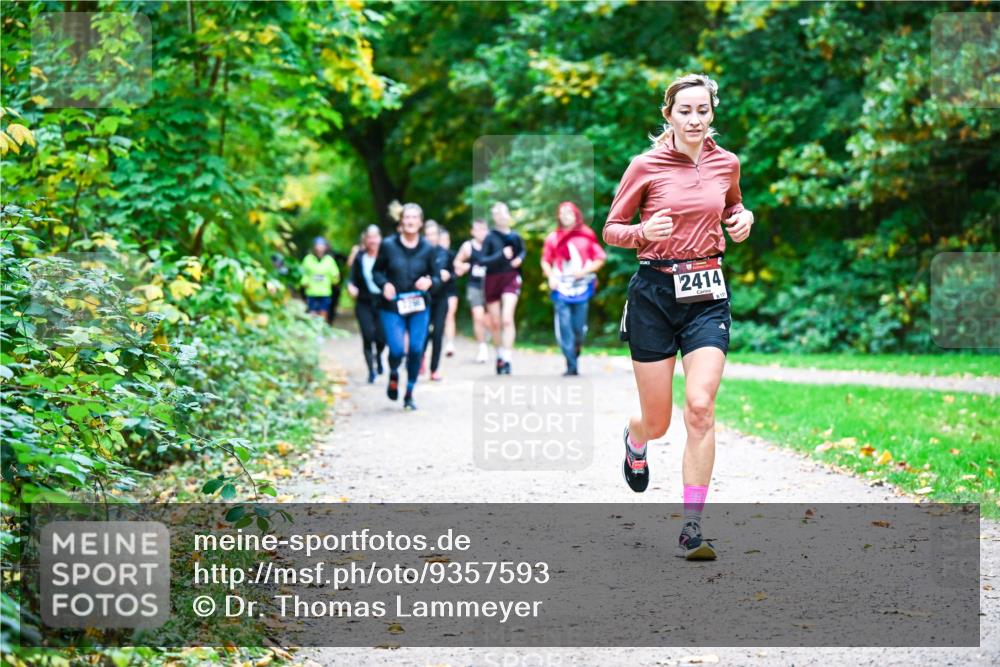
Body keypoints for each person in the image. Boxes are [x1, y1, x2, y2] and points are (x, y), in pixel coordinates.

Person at [603, 73, 755, 560]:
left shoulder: (726, 162)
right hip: (654, 292)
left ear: (712, 113)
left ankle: (692, 525)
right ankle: (636, 438)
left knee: (701, 406)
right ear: (668, 114)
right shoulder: (645, 165)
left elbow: (733, 207)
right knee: (658, 420)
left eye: (702, 110)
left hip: (707, 293)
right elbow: (611, 229)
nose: (694, 119)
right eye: (684, 111)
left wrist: (744, 218)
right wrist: (643, 232)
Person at [372, 203, 440, 410]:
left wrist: (429, 282)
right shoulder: (388, 245)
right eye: (407, 217)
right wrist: (385, 284)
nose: (410, 221)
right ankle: (394, 373)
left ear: (420, 222)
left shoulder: (428, 248)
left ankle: (409, 392)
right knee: (397, 349)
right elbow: (376, 272)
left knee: (417, 349)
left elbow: (436, 276)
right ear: (401, 221)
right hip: (393, 306)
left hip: (419, 306)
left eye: (414, 218)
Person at [541, 202, 606, 376]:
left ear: (576, 215)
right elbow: (545, 261)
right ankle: (571, 364)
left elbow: (600, 258)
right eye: (562, 212)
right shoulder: (553, 238)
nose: (565, 215)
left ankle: (576, 349)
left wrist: (584, 271)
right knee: (564, 326)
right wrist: (551, 276)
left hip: (581, 289)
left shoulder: (586, 235)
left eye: (569, 212)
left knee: (578, 329)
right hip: (560, 289)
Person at [480, 202, 525, 375]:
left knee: (507, 319)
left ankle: (507, 357)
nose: (501, 217)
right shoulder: (489, 237)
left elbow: (522, 252)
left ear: (508, 215)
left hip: (510, 278)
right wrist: (501, 255)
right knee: (495, 322)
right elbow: (482, 260)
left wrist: (519, 259)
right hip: (492, 280)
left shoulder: (515, 236)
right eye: (497, 214)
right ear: (494, 218)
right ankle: (499, 354)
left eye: (503, 213)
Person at [347, 225, 386, 383]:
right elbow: (351, 278)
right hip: (364, 301)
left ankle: (379, 356)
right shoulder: (360, 257)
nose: (373, 240)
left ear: (380, 238)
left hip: (383, 301)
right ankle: (371, 371)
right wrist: (351, 287)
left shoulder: (386, 255)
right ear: (365, 240)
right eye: (369, 237)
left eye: (375, 237)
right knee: (368, 335)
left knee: (382, 338)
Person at [453, 219, 491, 363]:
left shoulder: (492, 244)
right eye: (477, 229)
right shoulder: (468, 246)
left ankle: (487, 335)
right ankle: (482, 348)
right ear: (472, 232)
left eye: (483, 229)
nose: (481, 232)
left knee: (490, 319)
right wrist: (464, 266)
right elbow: (457, 261)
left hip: (491, 286)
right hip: (474, 285)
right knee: (477, 316)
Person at [422, 220, 455, 381]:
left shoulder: (446, 253)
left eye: (433, 234)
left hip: (441, 298)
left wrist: (449, 275)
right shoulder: (419, 253)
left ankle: (434, 369)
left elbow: (454, 274)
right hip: (423, 298)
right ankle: (419, 358)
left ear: (438, 235)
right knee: (423, 332)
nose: (431, 237)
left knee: (437, 334)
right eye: (428, 234)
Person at [300, 236, 340, 320]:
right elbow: (303, 274)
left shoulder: (329, 260)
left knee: (323, 313)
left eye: (321, 246)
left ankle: (322, 327)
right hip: (311, 292)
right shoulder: (308, 259)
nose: (319, 249)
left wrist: (335, 279)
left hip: (325, 293)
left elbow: (335, 276)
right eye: (318, 246)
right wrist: (304, 282)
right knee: (312, 314)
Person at [438, 229, 459, 359]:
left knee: (450, 315)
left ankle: (450, 344)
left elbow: (457, 273)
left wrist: (449, 275)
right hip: (435, 291)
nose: (445, 242)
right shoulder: (432, 254)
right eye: (442, 239)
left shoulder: (453, 255)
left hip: (450, 289)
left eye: (447, 240)